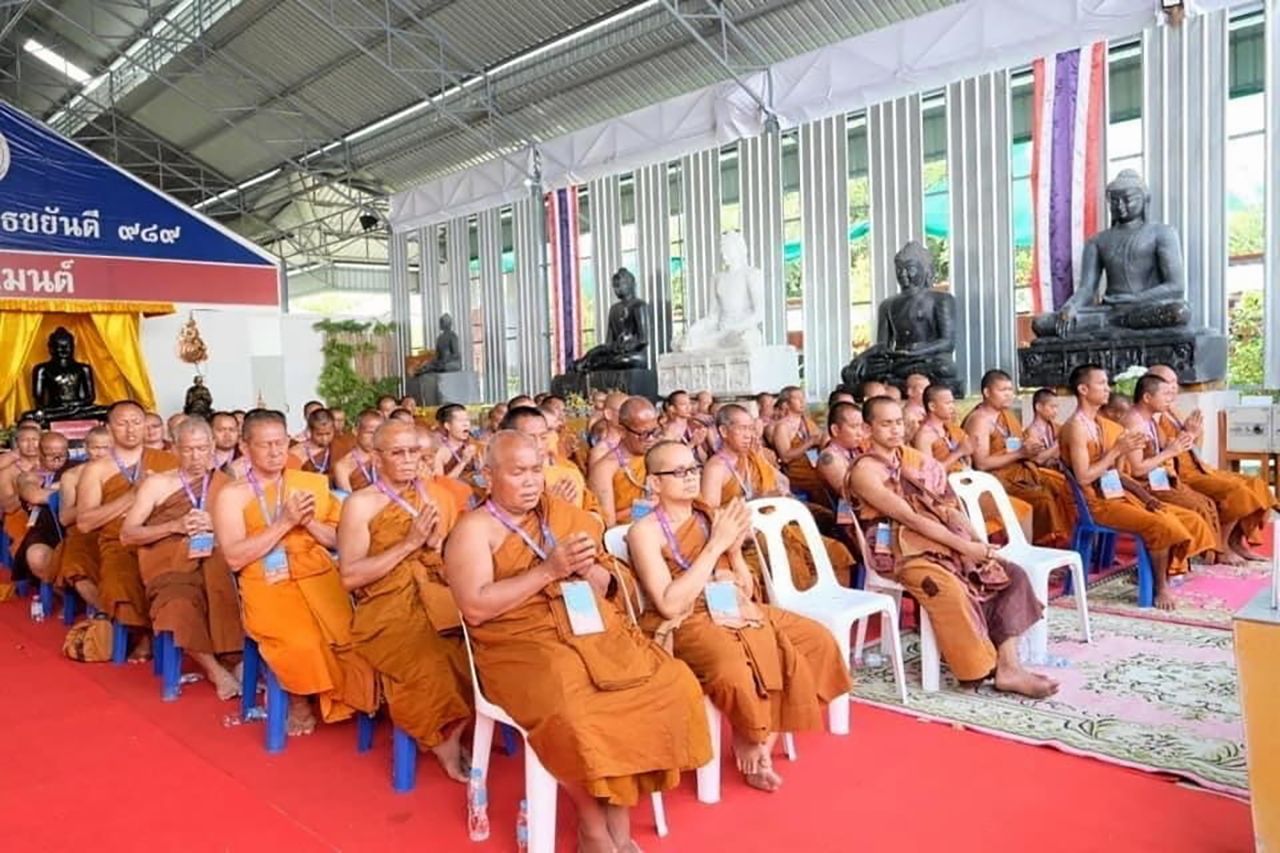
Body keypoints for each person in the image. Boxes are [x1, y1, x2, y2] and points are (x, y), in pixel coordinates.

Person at [444, 431, 711, 852]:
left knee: (668, 680)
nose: (531, 481)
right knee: (574, 708)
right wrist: (549, 571)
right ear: (488, 474)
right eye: (518, 472)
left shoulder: (562, 516)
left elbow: (606, 585)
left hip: (587, 628)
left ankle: (618, 812)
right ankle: (592, 824)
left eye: (536, 470)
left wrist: (587, 570)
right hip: (519, 645)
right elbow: (475, 607)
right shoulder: (474, 531)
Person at [628, 440, 851, 792]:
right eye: (678, 472)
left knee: (816, 641)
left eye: (693, 469)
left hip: (733, 607)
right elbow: (669, 604)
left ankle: (761, 741)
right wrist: (718, 545)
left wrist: (732, 553)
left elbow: (746, 589)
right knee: (732, 669)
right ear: (655, 482)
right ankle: (753, 737)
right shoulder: (644, 532)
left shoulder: (711, 517)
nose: (690, 477)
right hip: (687, 620)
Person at [846, 397, 1058, 698]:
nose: (895, 430)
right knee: (949, 588)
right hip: (900, 552)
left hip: (945, 538)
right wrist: (963, 547)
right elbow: (911, 519)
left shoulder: (913, 459)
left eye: (898, 423)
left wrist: (976, 542)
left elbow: (947, 505)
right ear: (868, 428)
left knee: (1008, 574)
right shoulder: (865, 471)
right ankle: (978, 665)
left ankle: (1009, 667)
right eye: (885, 424)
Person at [211, 410, 375, 734]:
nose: (275, 452)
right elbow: (233, 558)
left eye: (280, 443)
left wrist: (308, 521)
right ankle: (299, 700)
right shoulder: (232, 495)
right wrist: (284, 523)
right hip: (264, 579)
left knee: (354, 632)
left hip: (316, 569)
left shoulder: (310, 484)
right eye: (265, 445)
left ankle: (353, 696)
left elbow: (338, 540)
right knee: (300, 641)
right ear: (245, 448)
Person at [337, 421, 472, 781]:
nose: (409, 460)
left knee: (485, 648)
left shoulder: (436, 496)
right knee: (430, 660)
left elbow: (455, 557)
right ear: (377, 457)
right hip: (386, 609)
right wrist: (409, 544)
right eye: (398, 453)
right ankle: (442, 740)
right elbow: (350, 577)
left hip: (439, 593)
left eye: (415, 452)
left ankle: (455, 728)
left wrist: (438, 547)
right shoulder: (360, 504)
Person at [1059, 365, 1204, 610]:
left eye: (1107, 383)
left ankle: (1165, 573)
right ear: (1083, 389)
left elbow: (1114, 472)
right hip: (1096, 503)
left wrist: (1144, 496)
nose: (1108, 388)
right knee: (1159, 524)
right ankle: (1160, 587)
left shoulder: (1100, 424)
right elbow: (1083, 477)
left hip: (1116, 493)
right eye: (1102, 383)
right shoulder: (1075, 426)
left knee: (1177, 515)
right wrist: (1117, 451)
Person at [121, 419, 243, 699]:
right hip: (167, 561)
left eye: (202, 449)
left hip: (213, 554)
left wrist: (217, 523)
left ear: (212, 448)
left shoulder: (226, 485)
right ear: (174, 449)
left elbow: (245, 528)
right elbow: (128, 534)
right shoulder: (157, 484)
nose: (196, 457)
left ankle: (233, 657)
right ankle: (215, 669)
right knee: (178, 601)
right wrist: (173, 526)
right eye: (188, 450)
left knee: (225, 579)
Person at [702, 404, 855, 589]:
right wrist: (750, 507)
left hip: (776, 524)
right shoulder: (715, 468)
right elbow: (710, 514)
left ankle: (833, 603)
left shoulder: (753, 458)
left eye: (751, 429)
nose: (749, 435)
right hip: (748, 536)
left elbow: (781, 482)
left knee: (838, 552)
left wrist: (775, 487)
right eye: (742, 429)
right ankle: (800, 609)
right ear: (724, 431)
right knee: (791, 564)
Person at [77, 402, 179, 659]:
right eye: (122, 423)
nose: (130, 429)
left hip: (164, 535)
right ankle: (143, 635)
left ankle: (180, 633)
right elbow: (85, 522)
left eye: (136, 422)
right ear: (109, 429)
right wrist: (132, 496)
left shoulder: (169, 461)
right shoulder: (96, 469)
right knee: (120, 576)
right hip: (119, 542)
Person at [1148, 363, 1277, 559]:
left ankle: (1237, 542)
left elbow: (1194, 448)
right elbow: (1166, 452)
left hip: (1200, 468)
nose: (1173, 387)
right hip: (1184, 475)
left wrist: (1194, 434)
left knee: (1256, 483)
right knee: (1238, 492)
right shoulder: (1152, 418)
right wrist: (1188, 433)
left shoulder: (1172, 411)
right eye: (1167, 383)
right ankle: (1222, 546)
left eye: (1175, 382)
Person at [1122, 374, 1234, 563]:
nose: (1170, 398)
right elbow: (1137, 470)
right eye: (1165, 394)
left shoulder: (1150, 421)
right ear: (1147, 398)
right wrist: (1169, 452)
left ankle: (1211, 553)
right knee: (1196, 508)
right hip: (1143, 488)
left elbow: (1169, 448)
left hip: (1160, 479)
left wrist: (1189, 435)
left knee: (1206, 502)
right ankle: (1190, 560)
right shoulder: (1134, 422)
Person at [963, 370, 1074, 546]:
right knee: (1043, 499)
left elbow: (1015, 442)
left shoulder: (1006, 415)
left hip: (1019, 470)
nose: (1009, 394)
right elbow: (982, 463)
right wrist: (1020, 453)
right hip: (996, 480)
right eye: (1003, 390)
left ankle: (1069, 541)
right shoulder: (979, 421)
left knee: (1063, 486)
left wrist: (1030, 447)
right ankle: (1042, 546)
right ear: (987, 392)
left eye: (1010, 389)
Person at [53, 426, 112, 609]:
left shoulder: (123, 472)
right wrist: (91, 502)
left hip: (114, 529)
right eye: (95, 448)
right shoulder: (72, 476)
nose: (101, 453)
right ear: (86, 448)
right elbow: (65, 518)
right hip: (83, 532)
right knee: (77, 569)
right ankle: (107, 614)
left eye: (106, 448)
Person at [503, 405, 600, 516]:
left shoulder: (567, 470)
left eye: (543, 437)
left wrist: (593, 519)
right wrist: (550, 505)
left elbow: (592, 509)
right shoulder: (504, 479)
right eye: (530, 438)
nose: (538, 445)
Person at [587, 396, 660, 526]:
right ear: (622, 431)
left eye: (654, 432)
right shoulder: (604, 469)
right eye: (644, 434)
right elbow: (606, 523)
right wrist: (637, 510)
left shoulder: (658, 455)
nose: (651, 439)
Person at [13, 431, 70, 585]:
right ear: (40, 452)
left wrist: (56, 487)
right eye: (51, 454)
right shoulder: (29, 476)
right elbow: (35, 496)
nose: (57, 460)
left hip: (74, 525)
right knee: (36, 556)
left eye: (62, 454)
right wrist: (65, 488)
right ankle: (64, 590)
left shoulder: (75, 468)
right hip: (45, 529)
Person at [771, 386, 827, 505]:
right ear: (786, 403)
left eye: (803, 398)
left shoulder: (807, 421)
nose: (802, 402)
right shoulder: (782, 427)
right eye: (797, 399)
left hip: (816, 468)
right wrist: (809, 443)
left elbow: (820, 440)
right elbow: (785, 457)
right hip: (798, 475)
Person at [816, 403, 867, 523]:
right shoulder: (829, 458)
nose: (860, 433)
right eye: (854, 427)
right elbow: (852, 494)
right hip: (849, 518)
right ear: (835, 430)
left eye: (861, 427)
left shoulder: (856, 449)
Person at [1, 423, 41, 566]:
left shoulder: (48, 464)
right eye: (25, 440)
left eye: (34, 439)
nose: (31, 444)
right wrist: (27, 493)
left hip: (45, 511)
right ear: (17, 444)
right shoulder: (9, 470)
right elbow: (7, 507)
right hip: (19, 514)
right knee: (25, 536)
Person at [913, 384, 973, 473]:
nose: (952, 407)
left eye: (953, 402)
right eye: (948, 403)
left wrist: (966, 455)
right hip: (942, 484)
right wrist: (958, 453)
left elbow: (966, 451)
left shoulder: (950, 428)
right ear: (932, 406)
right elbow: (929, 473)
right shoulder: (924, 436)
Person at [333, 410, 384, 492]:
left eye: (379, 433)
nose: (375, 437)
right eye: (370, 433)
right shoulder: (343, 466)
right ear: (356, 431)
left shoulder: (387, 458)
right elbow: (347, 499)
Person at [289, 408, 337, 479]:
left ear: (334, 430)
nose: (324, 439)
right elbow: (291, 479)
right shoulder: (297, 452)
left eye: (328, 434)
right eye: (319, 434)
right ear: (310, 431)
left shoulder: (341, 445)